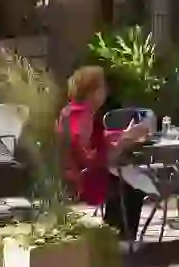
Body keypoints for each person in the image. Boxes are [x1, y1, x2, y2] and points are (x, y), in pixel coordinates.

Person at [57, 66, 153, 238]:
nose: (105, 92)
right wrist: (124, 142)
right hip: (87, 181)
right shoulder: (82, 117)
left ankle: (114, 236)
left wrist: (123, 134)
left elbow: (95, 139)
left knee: (129, 179)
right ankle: (119, 239)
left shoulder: (71, 112)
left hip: (74, 176)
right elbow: (95, 159)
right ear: (92, 91)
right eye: (102, 87)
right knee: (134, 185)